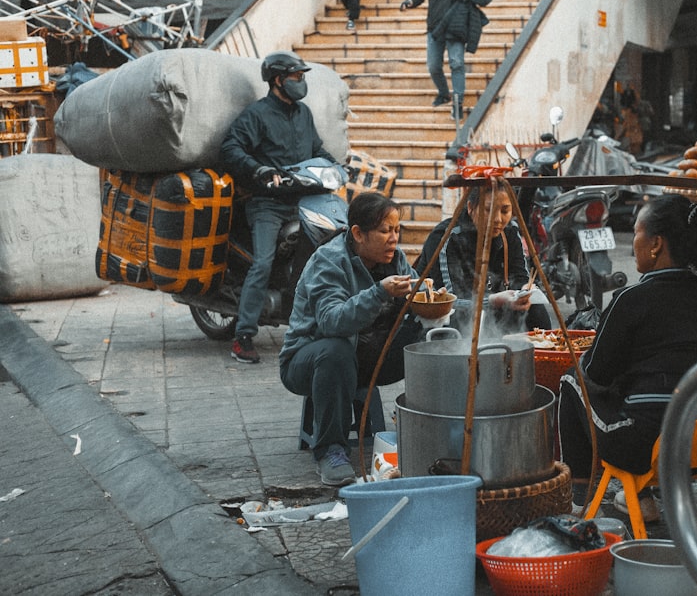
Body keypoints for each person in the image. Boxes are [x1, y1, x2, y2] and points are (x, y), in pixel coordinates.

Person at [558, 195, 697, 521]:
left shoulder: (631, 299)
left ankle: (576, 499)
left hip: (646, 445)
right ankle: (640, 496)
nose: (633, 241)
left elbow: (596, 373)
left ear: (655, 244)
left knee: (571, 379)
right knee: (643, 383)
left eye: (636, 232)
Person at [279, 192, 422, 486]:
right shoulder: (330, 260)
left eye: (397, 230)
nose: (393, 239)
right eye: (384, 231)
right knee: (335, 350)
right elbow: (332, 322)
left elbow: (423, 297)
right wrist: (379, 292)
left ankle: (429, 435)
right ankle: (331, 449)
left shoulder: (397, 260)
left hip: (369, 356)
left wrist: (488, 304)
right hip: (308, 361)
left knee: (430, 335)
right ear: (358, 233)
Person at [219, 51, 343, 364]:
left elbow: (316, 149)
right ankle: (243, 335)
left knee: (328, 249)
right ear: (278, 80)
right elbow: (231, 147)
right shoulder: (257, 115)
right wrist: (257, 169)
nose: (301, 83)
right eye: (296, 77)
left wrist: (337, 166)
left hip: (303, 198)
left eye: (302, 77)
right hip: (268, 203)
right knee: (262, 262)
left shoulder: (303, 114)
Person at [415, 183, 550, 334]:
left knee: (536, 309)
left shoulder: (509, 233)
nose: (498, 219)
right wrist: (493, 301)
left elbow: (521, 278)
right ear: (470, 207)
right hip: (447, 318)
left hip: (496, 310)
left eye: (505, 210)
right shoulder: (445, 237)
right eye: (489, 210)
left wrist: (524, 291)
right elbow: (450, 302)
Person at [400, 0, 485, 121]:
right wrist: (409, 2)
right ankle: (444, 93)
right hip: (435, 29)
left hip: (456, 28)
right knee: (433, 66)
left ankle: (458, 102)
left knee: (457, 64)